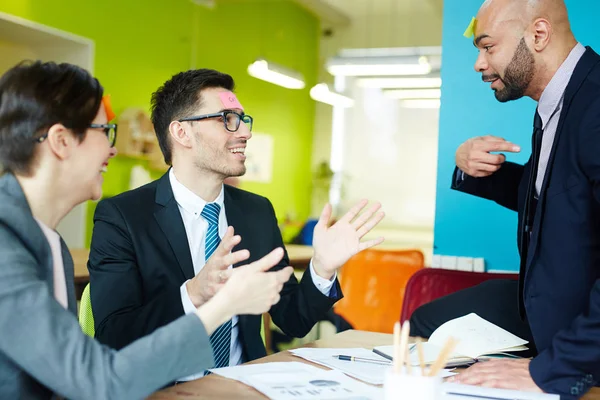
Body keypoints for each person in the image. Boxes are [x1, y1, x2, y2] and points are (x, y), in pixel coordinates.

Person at [0, 60, 294, 399]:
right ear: (61, 141)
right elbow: (99, 380)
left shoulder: (49, 242)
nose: (112, 150)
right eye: (104, 131)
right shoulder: (7, 248)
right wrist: (223, 304)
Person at [87, 68, 385, 380]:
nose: (245, 132)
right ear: (181, 132)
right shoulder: (123, 216)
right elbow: (114, 336)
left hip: (242, 383)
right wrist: (194, 293)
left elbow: (293, 319)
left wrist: (321, 267)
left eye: (244, 119)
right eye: (228, 118)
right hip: (165, 388)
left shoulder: (255, 212)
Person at [410, 0, 600, 397]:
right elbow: (561, 201)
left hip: (581, 318)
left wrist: (550, 370)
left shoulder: (595, 105)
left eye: (488, 47)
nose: (479, 64)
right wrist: (472, 167)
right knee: (427, 321)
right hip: (543, 299)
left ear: (539, 35)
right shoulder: (556, 102)